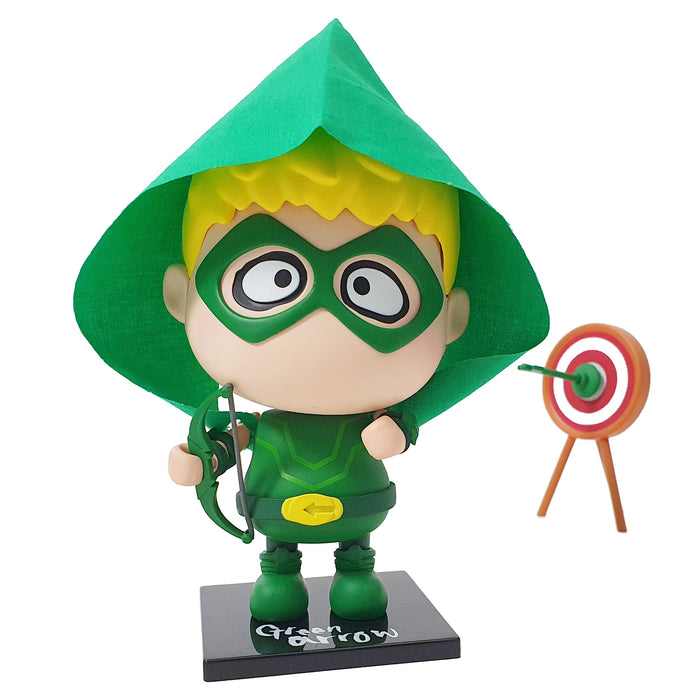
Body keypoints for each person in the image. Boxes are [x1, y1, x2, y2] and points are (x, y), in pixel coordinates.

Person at [74, 19, 548, 622]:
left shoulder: (374, 415)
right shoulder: (259, 424)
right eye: (272, 279)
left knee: (357, 565)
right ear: (182, 296)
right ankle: (281, 576)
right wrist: (205, 462)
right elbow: (231, 442)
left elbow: (398, 431)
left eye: (373, 289)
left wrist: (395, 434)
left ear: (452, 318)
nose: (324, 318)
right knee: (279, 566)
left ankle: (355, 573)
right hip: (276, 512)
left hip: (357, 508)